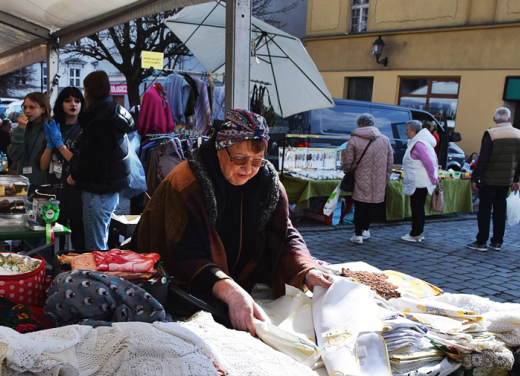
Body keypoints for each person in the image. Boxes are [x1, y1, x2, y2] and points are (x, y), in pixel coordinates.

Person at [133, 109, 333, 335]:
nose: (248, 169)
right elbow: (185, 254)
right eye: (240, 159)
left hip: (242, 286)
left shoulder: (268, 184)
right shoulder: (186, 182)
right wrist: (230, 292)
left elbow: (284, 232)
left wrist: (306, 270)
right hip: (179, 293)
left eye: (257, 161)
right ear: (220, 148)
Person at [68, 71, 134, 250]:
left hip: (97, 191)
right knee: (100, 244)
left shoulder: (99, 120)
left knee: (96, 249)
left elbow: (95, 162)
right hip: (108, 190)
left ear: (88, 90)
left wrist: (75, 176)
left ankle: (100, 279)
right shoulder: (110, 114)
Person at [468, 107, 520, 252]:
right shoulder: (519, 135)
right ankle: (497, 241)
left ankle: (481, 241)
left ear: (494, 119)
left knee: (485, 210)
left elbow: (483, 158)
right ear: (509, 119)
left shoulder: (491, 134)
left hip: (489, 179)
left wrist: (474, 177)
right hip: (506, 180)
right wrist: (516, 178)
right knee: (500, 210)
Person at [39, 86, 85, 249]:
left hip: (76, 195)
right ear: (61, 104)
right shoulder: (54, 127)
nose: (73, 104)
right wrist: (50, 144)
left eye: (77, 100)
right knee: (50, 242)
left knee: (79, 242)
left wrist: (60, 145)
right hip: (53, 194)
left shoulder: (84, 129)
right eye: (68, 100)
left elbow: (76, 162)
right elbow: (43, 165)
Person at [342, 113, 394, 244]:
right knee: (370, 204)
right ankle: (365, 230)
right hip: (378, 178)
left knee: (360, 205)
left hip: (360, 176)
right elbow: (390, 161)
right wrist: (386, 177)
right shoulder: (385, 139)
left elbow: (347, 160)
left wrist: (347, 171)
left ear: (360, 124)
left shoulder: (354, 139)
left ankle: (358, 234)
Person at [401, 120, 438, 243]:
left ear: (413, 131)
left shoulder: (418, 144)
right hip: (420, 181)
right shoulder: (420, 142)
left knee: (417, 208)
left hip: (418, 182)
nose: (405, 132)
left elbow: (428, 162)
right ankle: (419, 232)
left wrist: (433, 178)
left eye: (407, 129)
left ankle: (415, 233)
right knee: (419, 208)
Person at [7, 92, 50, 186]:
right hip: (22, 183)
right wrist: (20, 129)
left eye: (32, 107)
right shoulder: (22, 129)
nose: (27, 111)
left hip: (43, 185)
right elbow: (14, 155)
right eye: (25, 107)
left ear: (43, 109)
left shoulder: (50, 130)